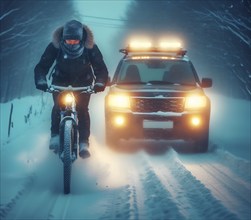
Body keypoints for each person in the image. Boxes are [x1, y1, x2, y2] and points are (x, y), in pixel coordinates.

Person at [34, 20, 108, 158]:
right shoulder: (55, 47)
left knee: (82, 111)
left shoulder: (90, 48)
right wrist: (41, 80)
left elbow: (101, 68)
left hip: (83, 84)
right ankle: (55, 136)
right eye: (68, 41)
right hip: (59, 83)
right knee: (58, 107)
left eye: (75, 41)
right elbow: (42, 66)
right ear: (63, 39)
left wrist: (100, 83)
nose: (72, 43)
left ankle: (84, 143)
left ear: (81, 39)